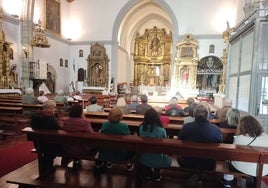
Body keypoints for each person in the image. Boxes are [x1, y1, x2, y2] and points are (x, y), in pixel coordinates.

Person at [178, 104, 222, 186]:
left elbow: (179, 141)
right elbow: (220, 143)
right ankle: (199, 177)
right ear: (208, 115)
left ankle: (196, 176)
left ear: (194, 115)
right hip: (209, 163)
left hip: (187, 161)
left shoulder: (186, 127)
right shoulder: (216, 129)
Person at [222, 116, 268, 187]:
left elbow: (233, 154)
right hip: (264, 170)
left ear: (242, 127)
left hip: (244, 169)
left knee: (228, 159)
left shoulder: (240, 139)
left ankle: (227, 183)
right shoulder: (266, 137)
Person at [96, 107, 134, 171]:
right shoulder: (124, 126)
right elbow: (128, 139)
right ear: (120, 116)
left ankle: (109, 161)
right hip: (121, 153)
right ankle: (129, 163)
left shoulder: (105, 124)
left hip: (106, 152)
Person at [139, 108, 171, 181]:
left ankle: (148, 173)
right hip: (158, 157)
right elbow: (164, 143)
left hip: (144, 156)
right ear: (157, 118)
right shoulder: (161, 130)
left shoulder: (141, 128)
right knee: (159, 153)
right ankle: (157, 174)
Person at [30, 100, 62, 174]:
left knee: (48, 153)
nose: (55, 109)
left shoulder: (35, 117)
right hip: (51, 145)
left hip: (38, 143)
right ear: (49, 108)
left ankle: (45, 168)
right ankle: (48, 169)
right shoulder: (51, 119)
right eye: (54, 108)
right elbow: (59, 129)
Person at [62, 103, 96, 168]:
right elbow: (92, 135)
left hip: (67, 147)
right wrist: (84, 118)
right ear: (81, 112)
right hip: (81, 148)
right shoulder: (85, 122)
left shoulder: (66, 120)